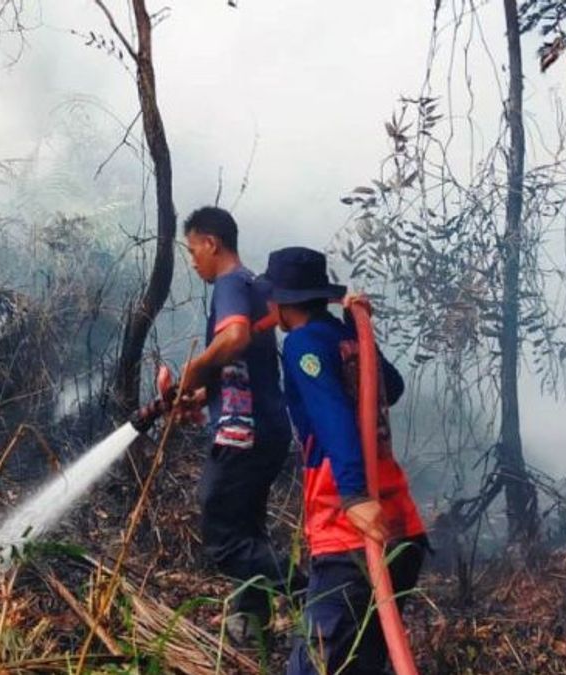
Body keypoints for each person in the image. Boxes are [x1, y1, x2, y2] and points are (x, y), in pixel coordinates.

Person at [258, 246, 427, 675]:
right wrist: (359, 327)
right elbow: (392, 385)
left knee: (314, 666)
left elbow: (332, 414)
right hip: (400, 527)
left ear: (283, 301)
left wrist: (353, 495)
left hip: (350, 531)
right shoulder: (343, 337)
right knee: (362, 663)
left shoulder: (302, 344)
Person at [173, 206, 294, 645]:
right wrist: (203, 391)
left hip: (243, 434)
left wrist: (196, 368)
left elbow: (236, 337)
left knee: (222, 535)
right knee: (247, 529)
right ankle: (252, 621)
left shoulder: (229, 284)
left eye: (193, 250)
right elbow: (249, 364)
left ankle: (319, 591)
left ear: (212, 243)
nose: (193, 261)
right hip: (269, 428)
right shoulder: (257, 287)